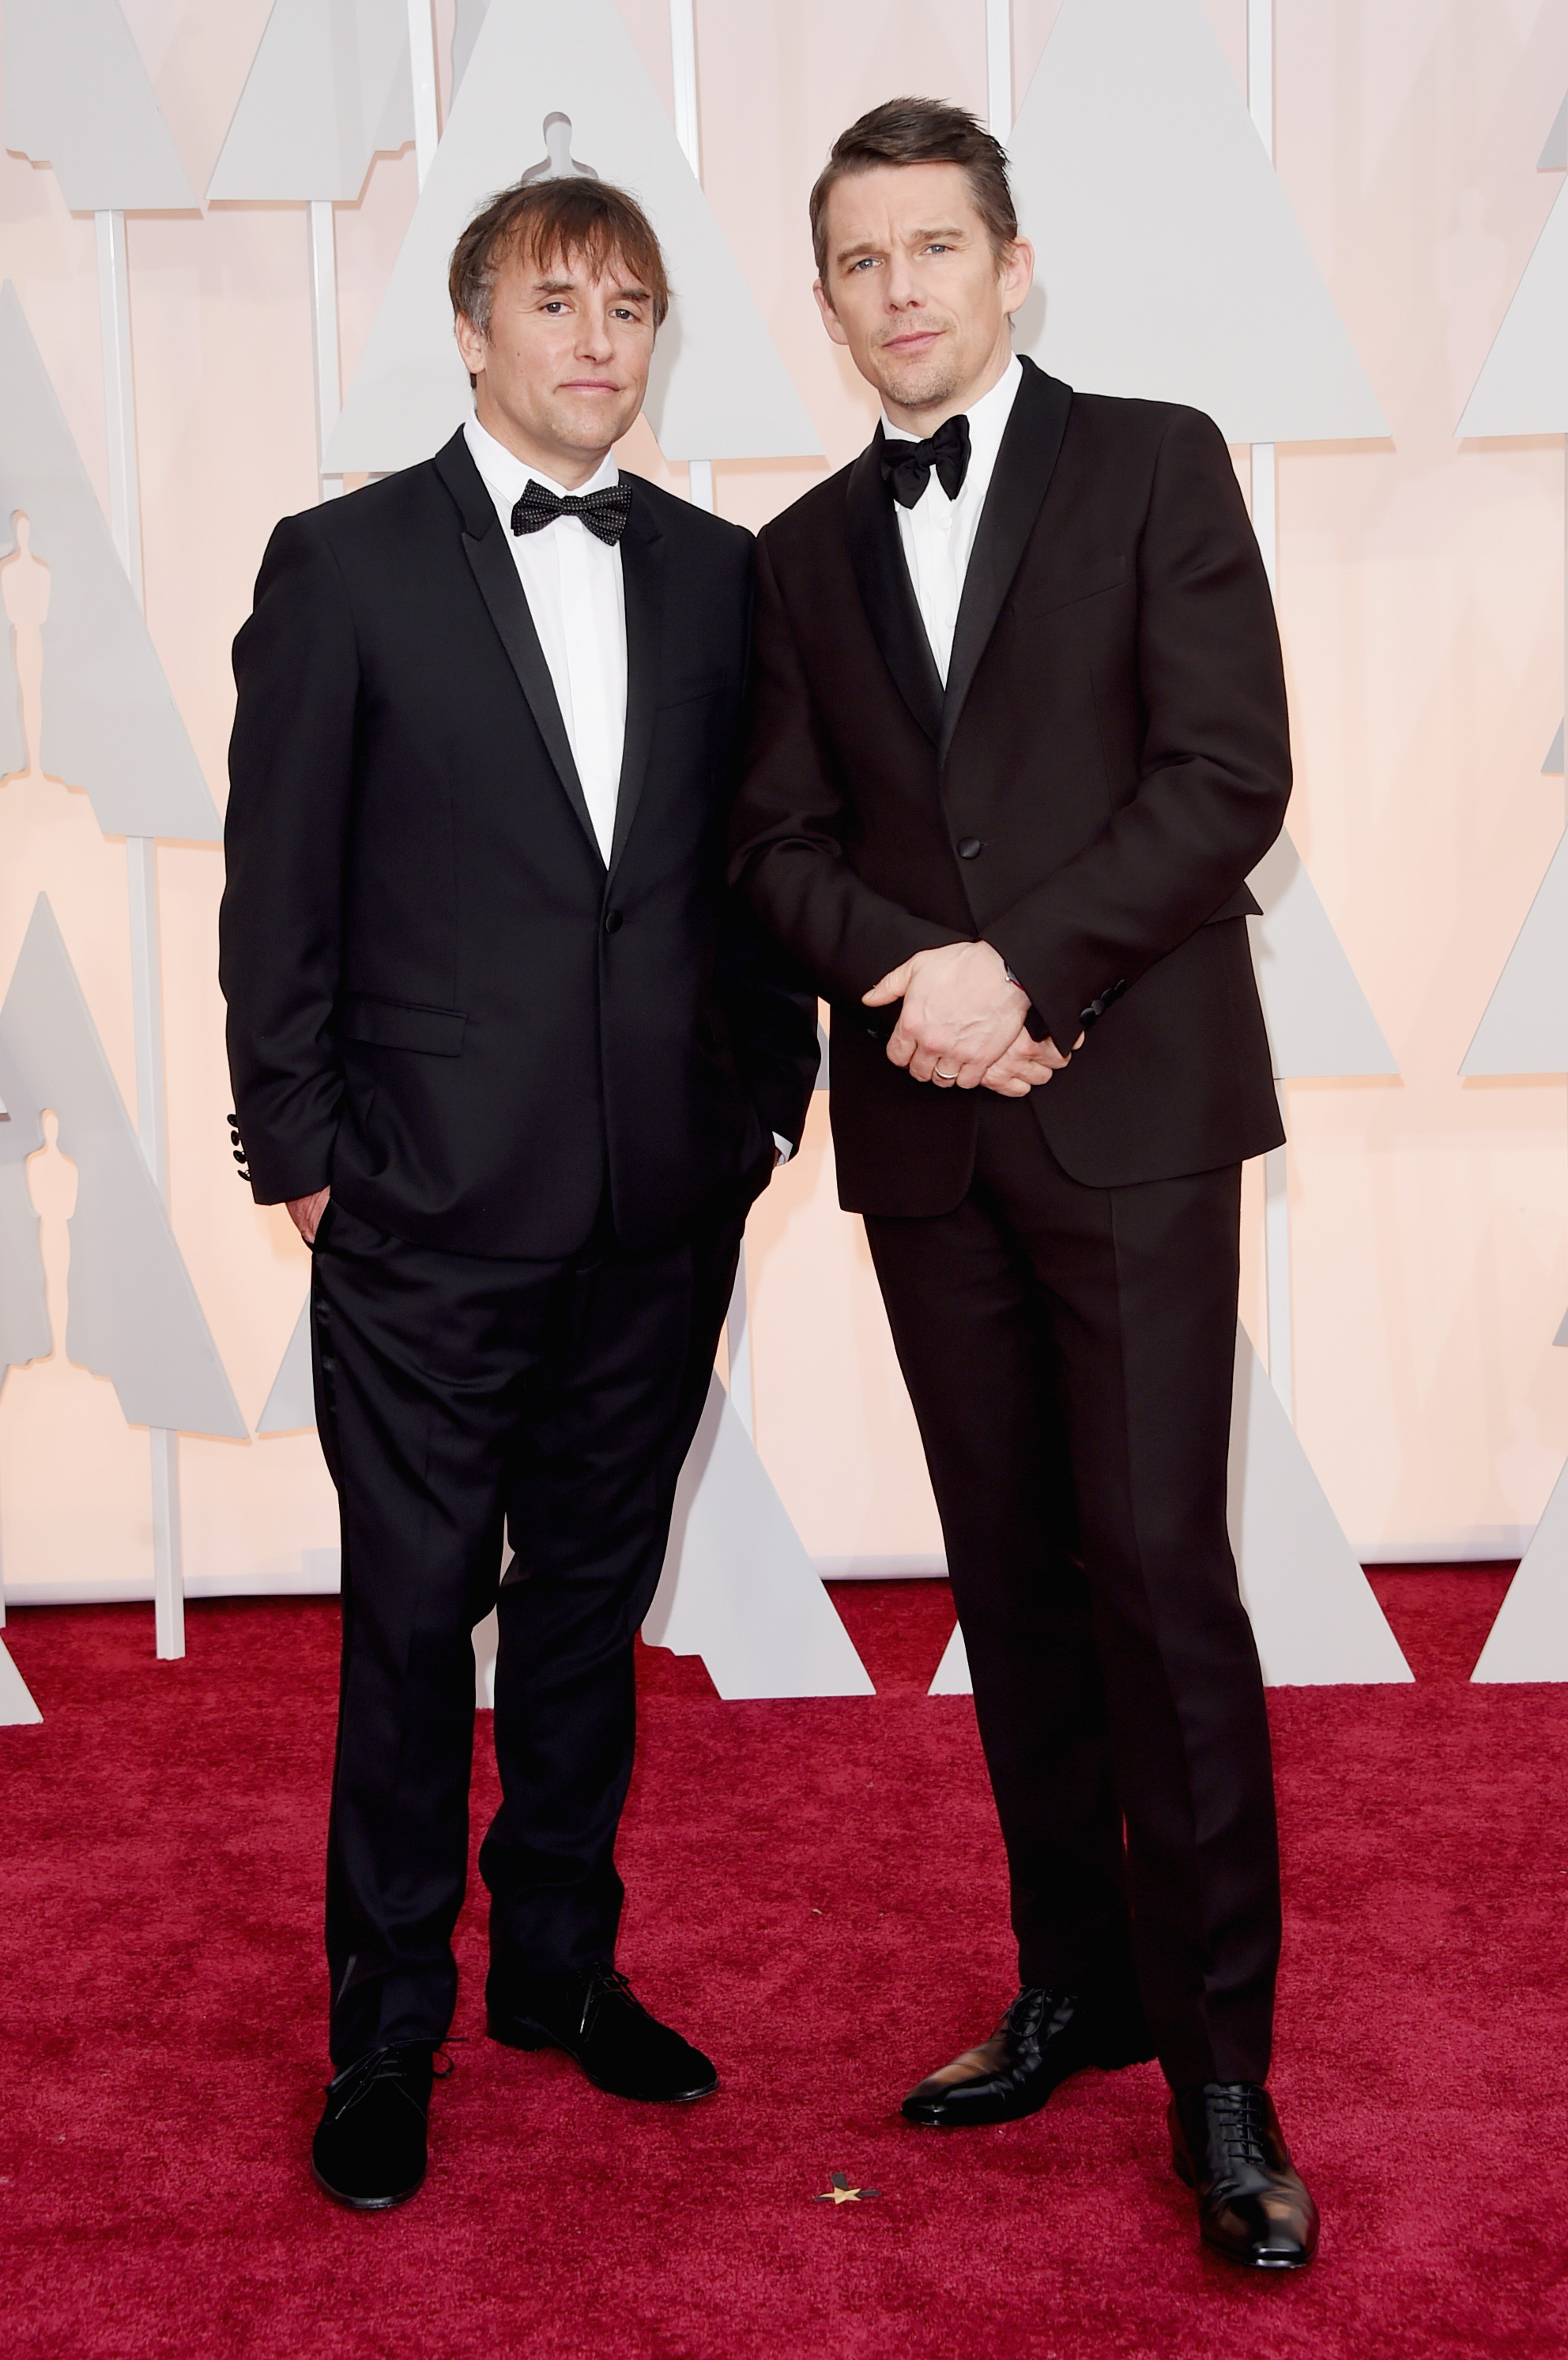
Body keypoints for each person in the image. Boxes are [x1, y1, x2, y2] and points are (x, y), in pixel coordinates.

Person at [730, 97, 1319, 2271]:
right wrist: (925, 981)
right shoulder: (795, 555)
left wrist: (1023, 967)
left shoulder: (1159, 462)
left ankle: (1225, 2072)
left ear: (1010, 262)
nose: (901, 289)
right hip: (930, 1138)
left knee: (1161, 1580)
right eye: (861, 260)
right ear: (827, 302)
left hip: (1135, 1113)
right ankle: (1072, 1978)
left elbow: (1228, 774)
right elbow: (771, 844)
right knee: (1011, 1577)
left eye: (935, 247)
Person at [220, 174, 818, 2211]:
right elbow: (277, 888)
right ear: (471, 333)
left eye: (629, 307)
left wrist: (760, 1110)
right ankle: (385, 2026)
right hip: (419, 1216)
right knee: (410, 1626)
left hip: (660, 1209)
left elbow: (752, 873)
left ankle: (560, 1970)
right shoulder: (343, 563)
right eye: (557, 303)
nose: (598, 340)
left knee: (585, 1612)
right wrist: (304, 1157)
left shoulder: (722, 577)